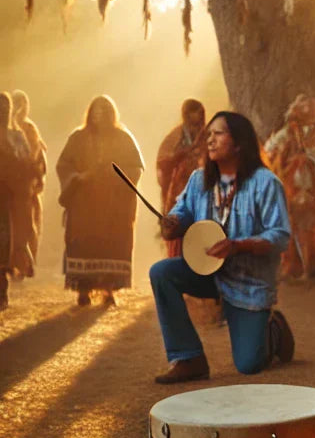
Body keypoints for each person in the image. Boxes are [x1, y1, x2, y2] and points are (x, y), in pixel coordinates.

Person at [149, 111, 295, 383]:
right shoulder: (198, 180)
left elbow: (280, 236)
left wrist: (239, 246)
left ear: (238, 143)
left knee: (249, 365)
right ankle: (188, 358)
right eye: (209, 135)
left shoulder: (265, 183)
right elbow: (181, 213)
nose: (210, 140)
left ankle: (273, 330)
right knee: (162, 272)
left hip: (247, 282)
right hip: (207, 272)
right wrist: (173, 223)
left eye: (218, 134)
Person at [56, 95, 144, 307]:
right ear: (90, 114)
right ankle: (83, 290)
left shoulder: (124, 138)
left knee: (112, 244)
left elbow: (135, 167)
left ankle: (108, 289)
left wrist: (115, 177)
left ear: (112, 114)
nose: (100, 116)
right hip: (84, 204)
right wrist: (78, 178)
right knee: (84, 243)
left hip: (114, 205)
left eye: (105, 112)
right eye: (96, 111)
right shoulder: (77, 137)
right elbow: (63, 165)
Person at [264, 94, 315, 281]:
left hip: (314, 191)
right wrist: (287, 162)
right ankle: (292, 268)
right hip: (290, 189)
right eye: (301, 117)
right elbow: (269, 153)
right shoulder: (285, 135)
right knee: (289, 229)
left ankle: (313, 267)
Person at [156, 99, 207, 258]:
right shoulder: (175, 137)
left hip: (205, 192)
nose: (196, 127)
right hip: (178, 193)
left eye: (198, 122)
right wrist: (182, 155)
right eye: (192, 122)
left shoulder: (209, 136)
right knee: (179, 232)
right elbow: (162, 162)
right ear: (185, 117)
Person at [0, 93, 33, 310]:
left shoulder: (18, 137)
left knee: (7, 245)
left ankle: (2, 290)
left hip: (11, 200)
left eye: (5, 107)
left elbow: (28, 163)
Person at [11, 89, 46, 274]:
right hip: (8, 186)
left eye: (22, 103)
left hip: (26, 185)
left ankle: (26, 261)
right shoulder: (7, 129)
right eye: (15, 103)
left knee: (27, 223)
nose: (19, 107)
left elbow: (35, 155)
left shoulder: (28, 128)